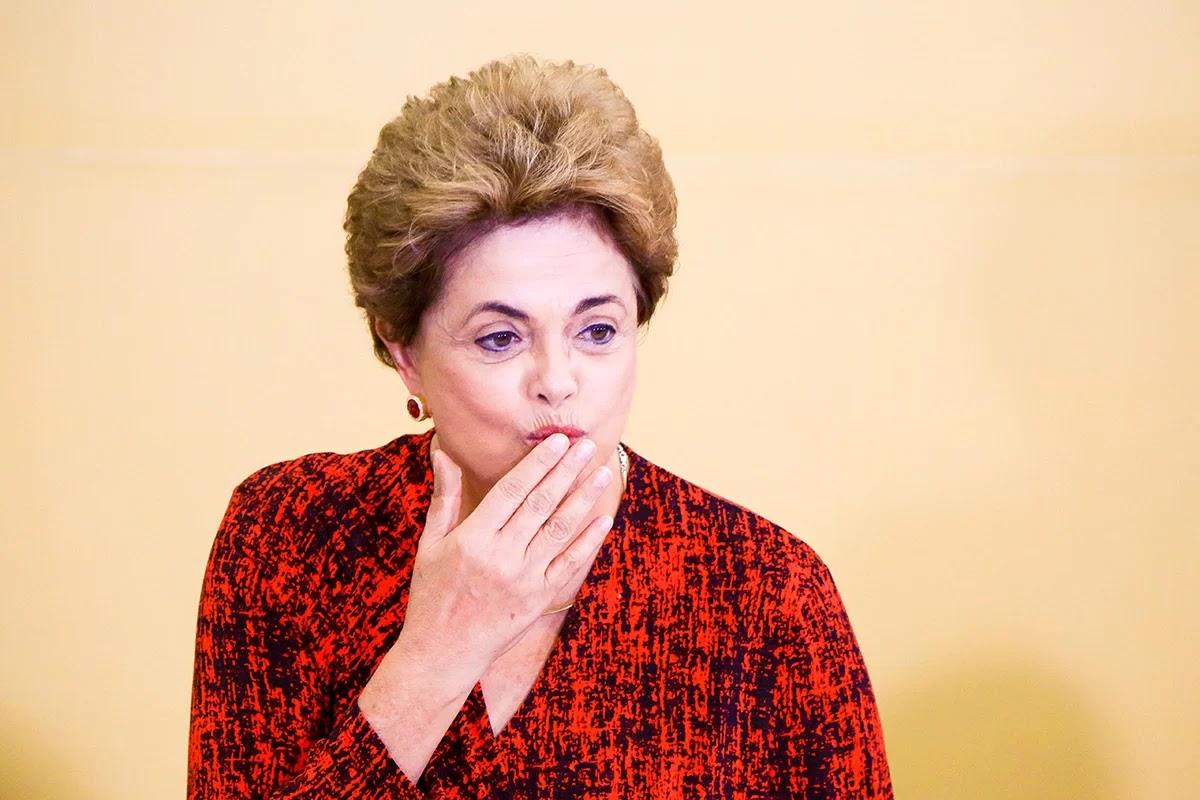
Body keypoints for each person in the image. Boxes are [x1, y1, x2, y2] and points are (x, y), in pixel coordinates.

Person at [188, 55, 892, 799]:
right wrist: (437, 654)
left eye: (597, 330)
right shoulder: (291, 534)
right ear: (405, 355)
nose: (558, 380)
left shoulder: (769, 592)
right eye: (501, 338)